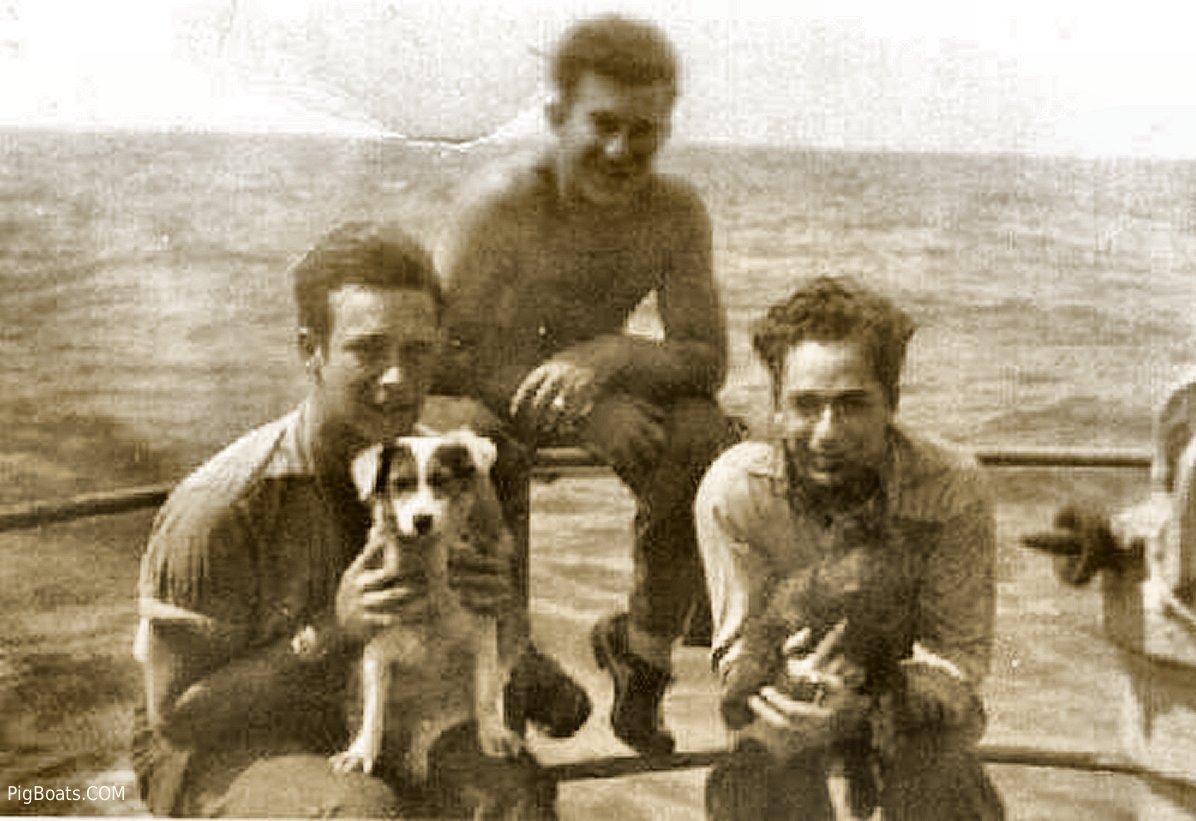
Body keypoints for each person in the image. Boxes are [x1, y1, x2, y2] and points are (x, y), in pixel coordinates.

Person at [132, 222, 565, 818]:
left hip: (391, 710)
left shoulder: (447, 477)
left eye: (417, 351)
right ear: (311, 350)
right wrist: (330, 632)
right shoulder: (222, 506)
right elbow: (176, 718)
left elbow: (487, 637)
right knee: (362, 813)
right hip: (227, 745)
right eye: (368, 348)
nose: (397, 377)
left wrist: (499, 606)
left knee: (515, 798)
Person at [436, 13, 742, 757]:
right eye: (601, 123)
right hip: (487, 389)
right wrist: (590, 412)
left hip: (578, 388)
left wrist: (609, 354)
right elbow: (441, 360)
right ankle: (512, 661)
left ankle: (642, 654)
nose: (620, 148)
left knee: (704, 431)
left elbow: (705, 357)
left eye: (645, 129)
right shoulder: (502, 204)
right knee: (471, 436)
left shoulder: (674, 213)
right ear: (555, 117)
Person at [694, 277, 1004, 820]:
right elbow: (740, 647)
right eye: (806, 405)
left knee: (948, 787)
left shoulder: (952, 485)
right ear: (777, 409)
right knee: (746, 787)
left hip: (907, 699)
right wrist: (790, 694)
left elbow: (958, 654)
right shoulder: (735, 490)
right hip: (788, 690)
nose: (827, 432)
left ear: (891, 403)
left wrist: (866, 708)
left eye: (853, 405)